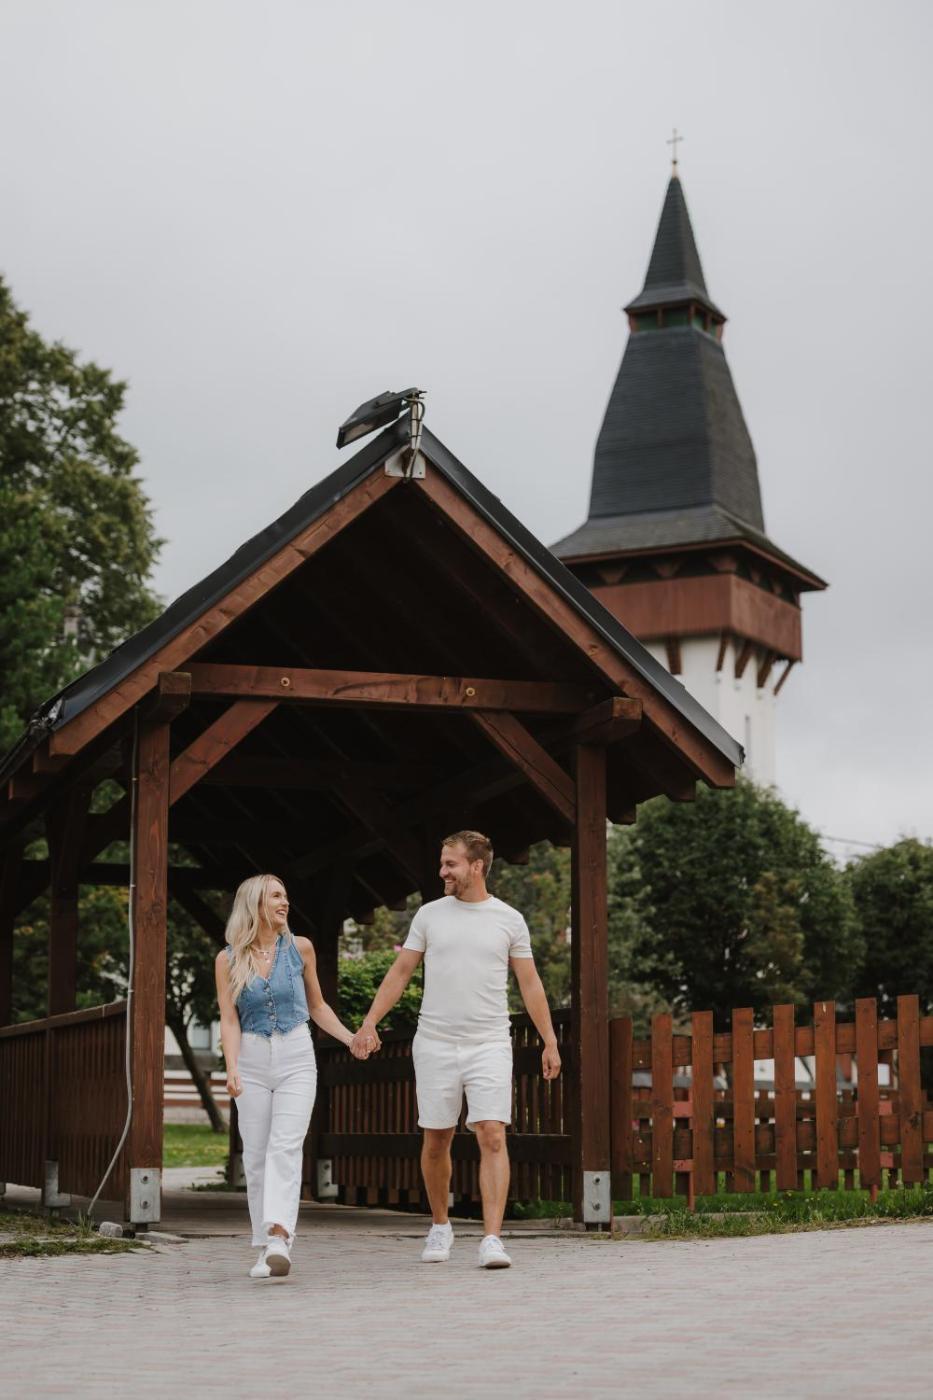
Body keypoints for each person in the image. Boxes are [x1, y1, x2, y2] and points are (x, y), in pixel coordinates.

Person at [350, 830, 561, 1269]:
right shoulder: (429, 916)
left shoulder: (509, 919)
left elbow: (529, 983)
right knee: (436, 1138)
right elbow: (401, 972)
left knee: (493, 1133)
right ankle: (440, 1226)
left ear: (476, 866)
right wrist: (370, 1022)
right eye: (442, 863)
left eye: (451, 864)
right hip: (435, 1043)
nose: (442, 871)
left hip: (489, 1042)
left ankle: (492, 1239)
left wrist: (550, 1040)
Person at [215, 873, 373, 1279]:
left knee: (285, 1146)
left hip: (296, 1054)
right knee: (255, 1154)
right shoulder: (227, 959)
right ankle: (263, 1244)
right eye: (275, 896)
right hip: (250, 1057)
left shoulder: (300, 948)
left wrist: (349, 1038)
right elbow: (229, 1019)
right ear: (255, 904)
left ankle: (280, 1237)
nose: (284, 902)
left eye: (285, 896)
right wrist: (231, 1067)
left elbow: (317, 1006)